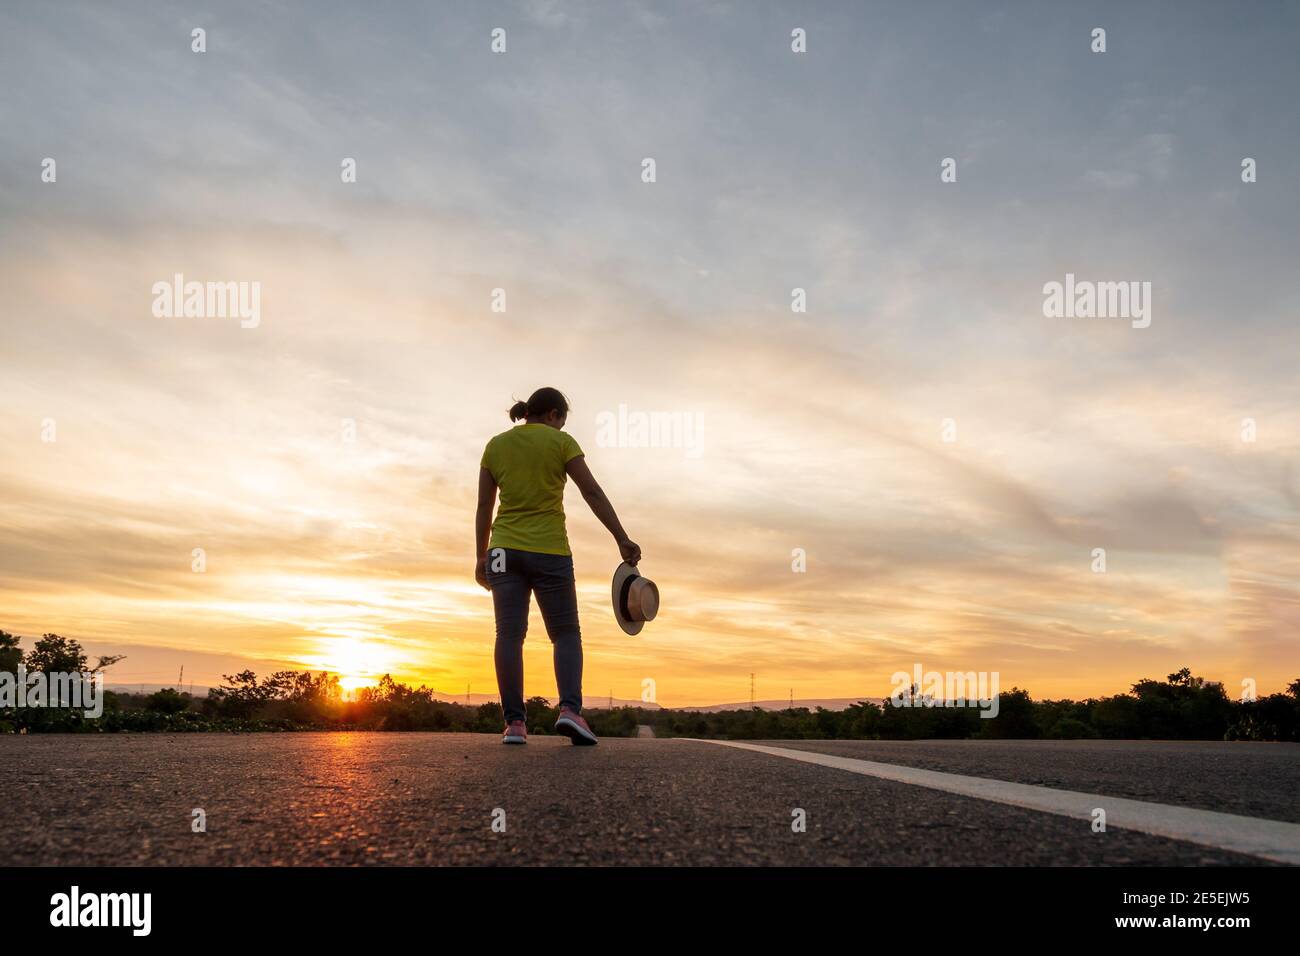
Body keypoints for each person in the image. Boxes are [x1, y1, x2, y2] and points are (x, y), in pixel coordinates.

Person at [476, 387, 641, 746]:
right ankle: (569, 710)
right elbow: (592, 492)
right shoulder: (561, 442)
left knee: (508, 634)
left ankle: (515, 725)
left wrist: (480, 556)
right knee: (565, 633)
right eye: (562, 421)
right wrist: (621, 538)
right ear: (553, 415)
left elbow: (484, 508)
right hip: (549, 549)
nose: (561, 427)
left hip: (502, 550)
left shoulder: (495, 445)